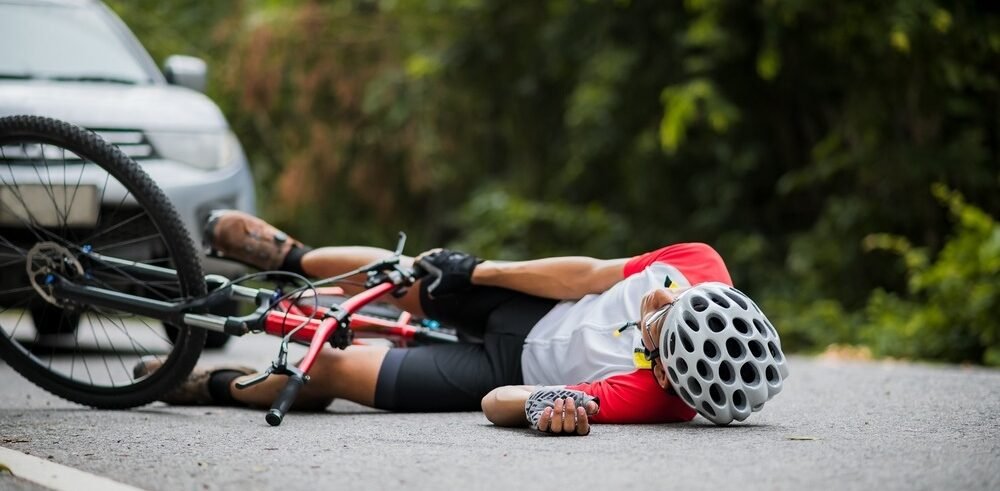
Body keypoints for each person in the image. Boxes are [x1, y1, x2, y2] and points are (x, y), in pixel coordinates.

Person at [136, 211, 787, 435]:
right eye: (663, 321)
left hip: (503, 367)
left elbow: (497, 400)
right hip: (533, 306)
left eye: (660, 358)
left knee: (329, 372)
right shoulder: (697, 263)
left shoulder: (658, 403)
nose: (649, 338)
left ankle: (205, 380)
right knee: (415, 275)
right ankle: (290, 256)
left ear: (677, 385)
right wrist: (482, 271)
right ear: (698, 296)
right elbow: (585, 274)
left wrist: (546, 406)